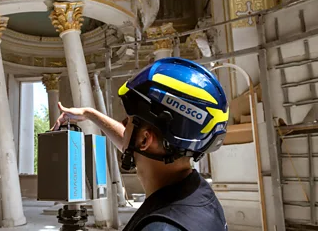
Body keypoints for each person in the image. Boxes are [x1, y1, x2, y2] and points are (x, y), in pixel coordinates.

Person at [52, 57, 229, 230]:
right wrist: (89, 114)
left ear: (145, 140)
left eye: (128, 121)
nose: (123, 126)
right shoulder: (199, 194)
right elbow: (131, 141)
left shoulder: (161, 227)